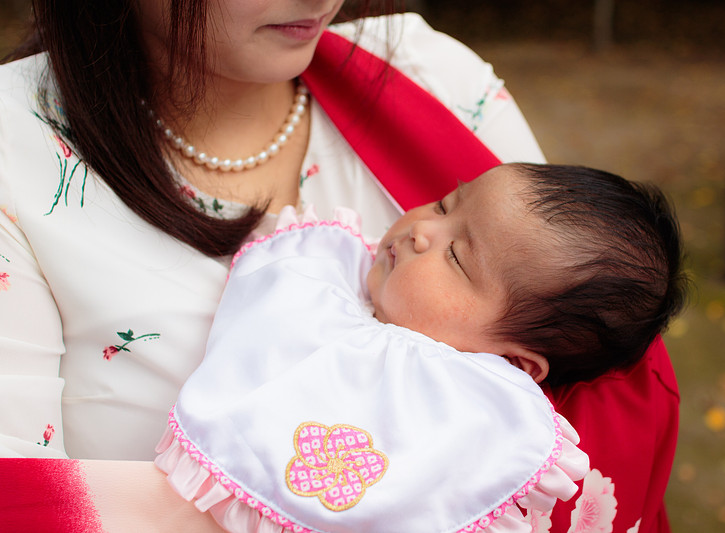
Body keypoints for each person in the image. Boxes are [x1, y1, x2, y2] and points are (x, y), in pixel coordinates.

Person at [0, 1, 682, 531]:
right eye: (441, 207)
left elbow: (575, 316)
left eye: (458, 253)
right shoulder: (17, 154)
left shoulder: (429, 71)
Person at [154, 161, 686, 533]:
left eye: (456, 258)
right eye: (445, 203)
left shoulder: (469, 420)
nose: (421, 230)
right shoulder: (324, 268)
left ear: (515, 361)